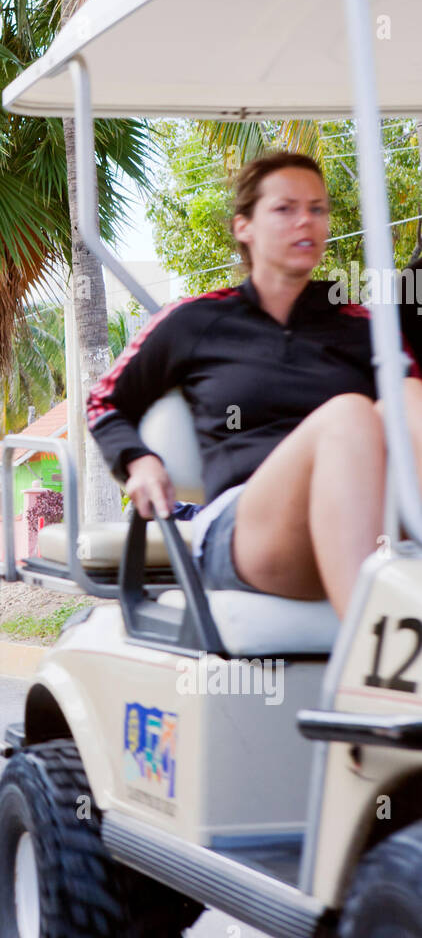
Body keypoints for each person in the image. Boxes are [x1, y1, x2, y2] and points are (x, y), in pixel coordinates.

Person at [87, 151, 422, 619]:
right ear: (244, 226)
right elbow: (105, 402)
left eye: (318, 209)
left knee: (405, 396)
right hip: (247, 528)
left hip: (369, 514)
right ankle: (365, 650)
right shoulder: (196, 320)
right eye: (285, 209)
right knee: (349, 413)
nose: (305, 221)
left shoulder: (360, 324)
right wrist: (137, 461)